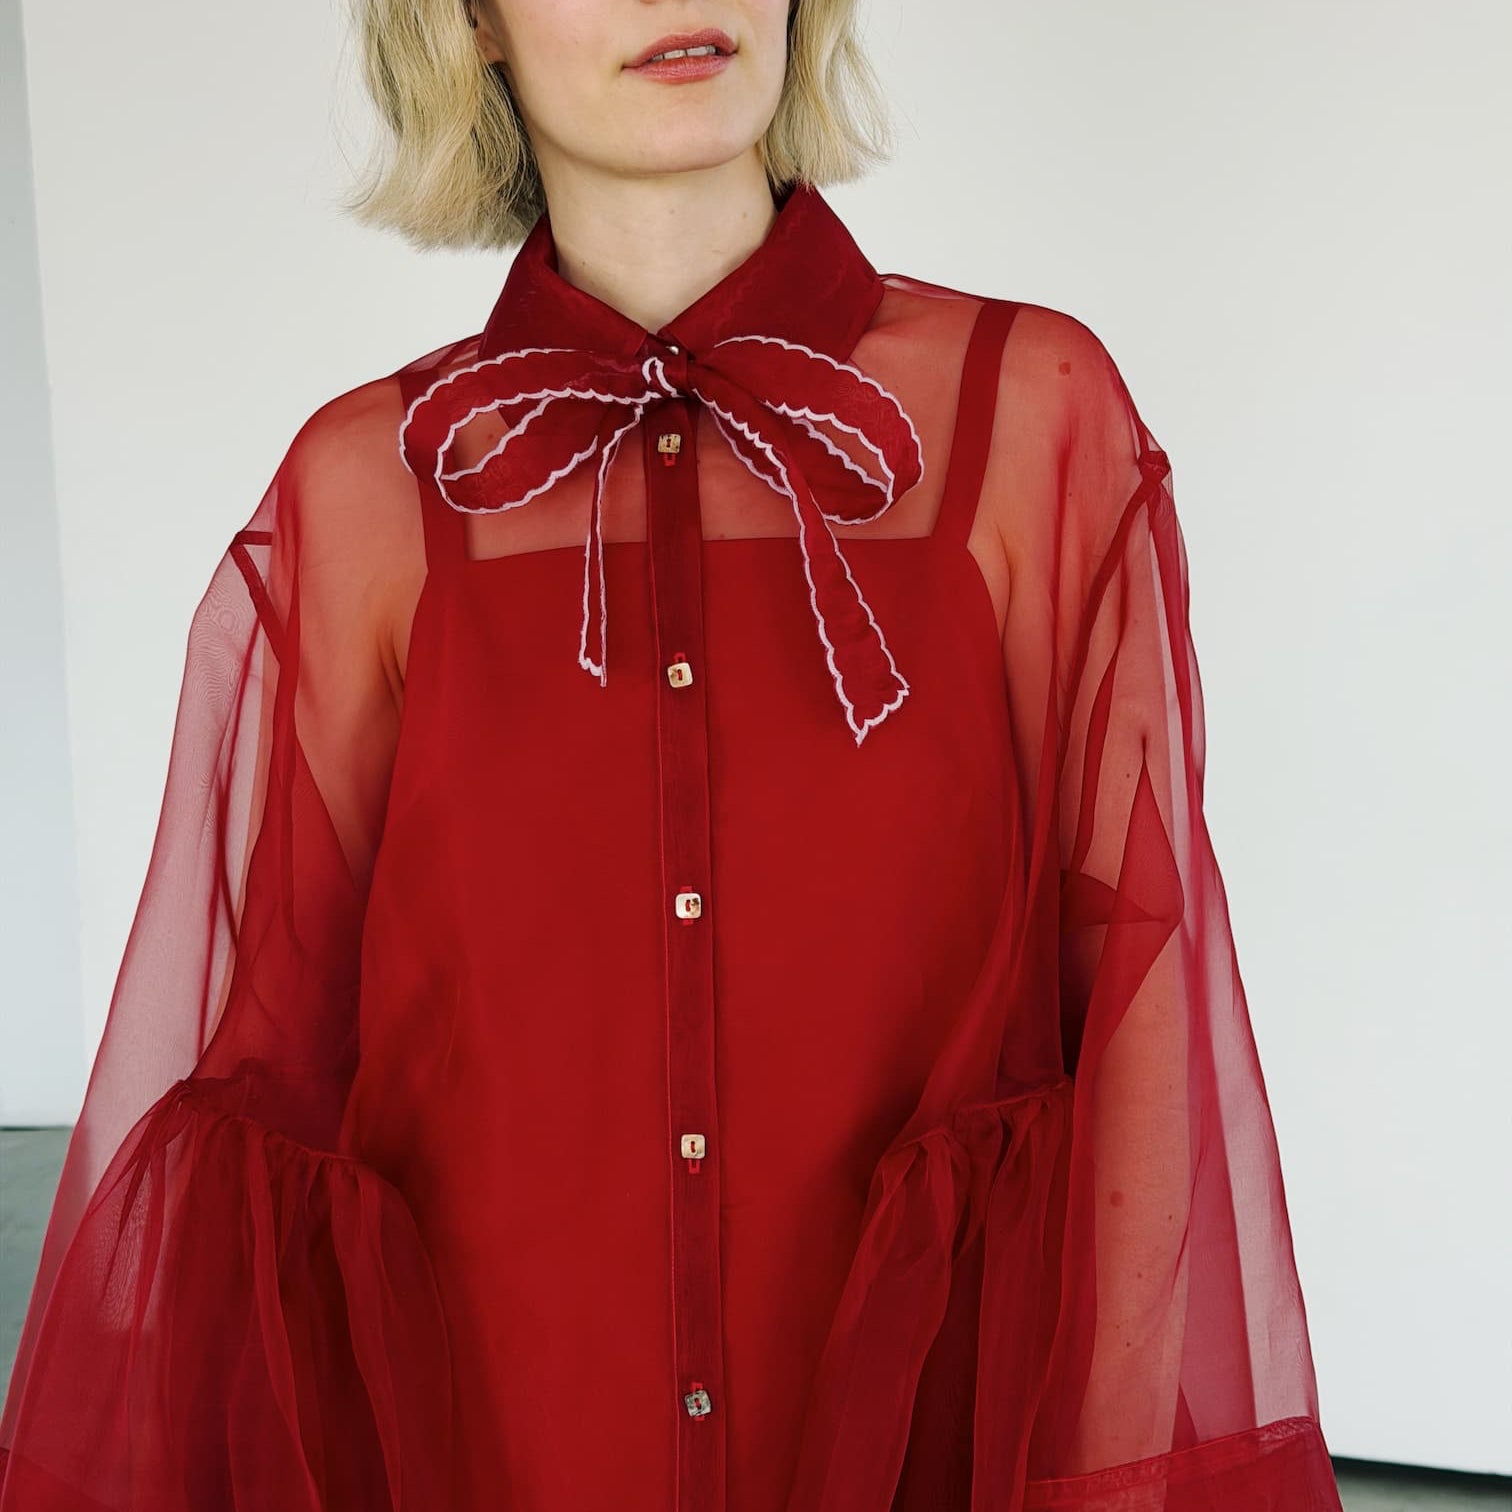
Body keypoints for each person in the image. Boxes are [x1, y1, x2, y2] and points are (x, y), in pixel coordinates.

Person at [0, 3, 1346, 1510]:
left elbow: (1141, 1011)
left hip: (938, 1436)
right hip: (506, 1435)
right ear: (470, 27)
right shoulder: (375, 488)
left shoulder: (1026, 418)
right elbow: (280, 1091)